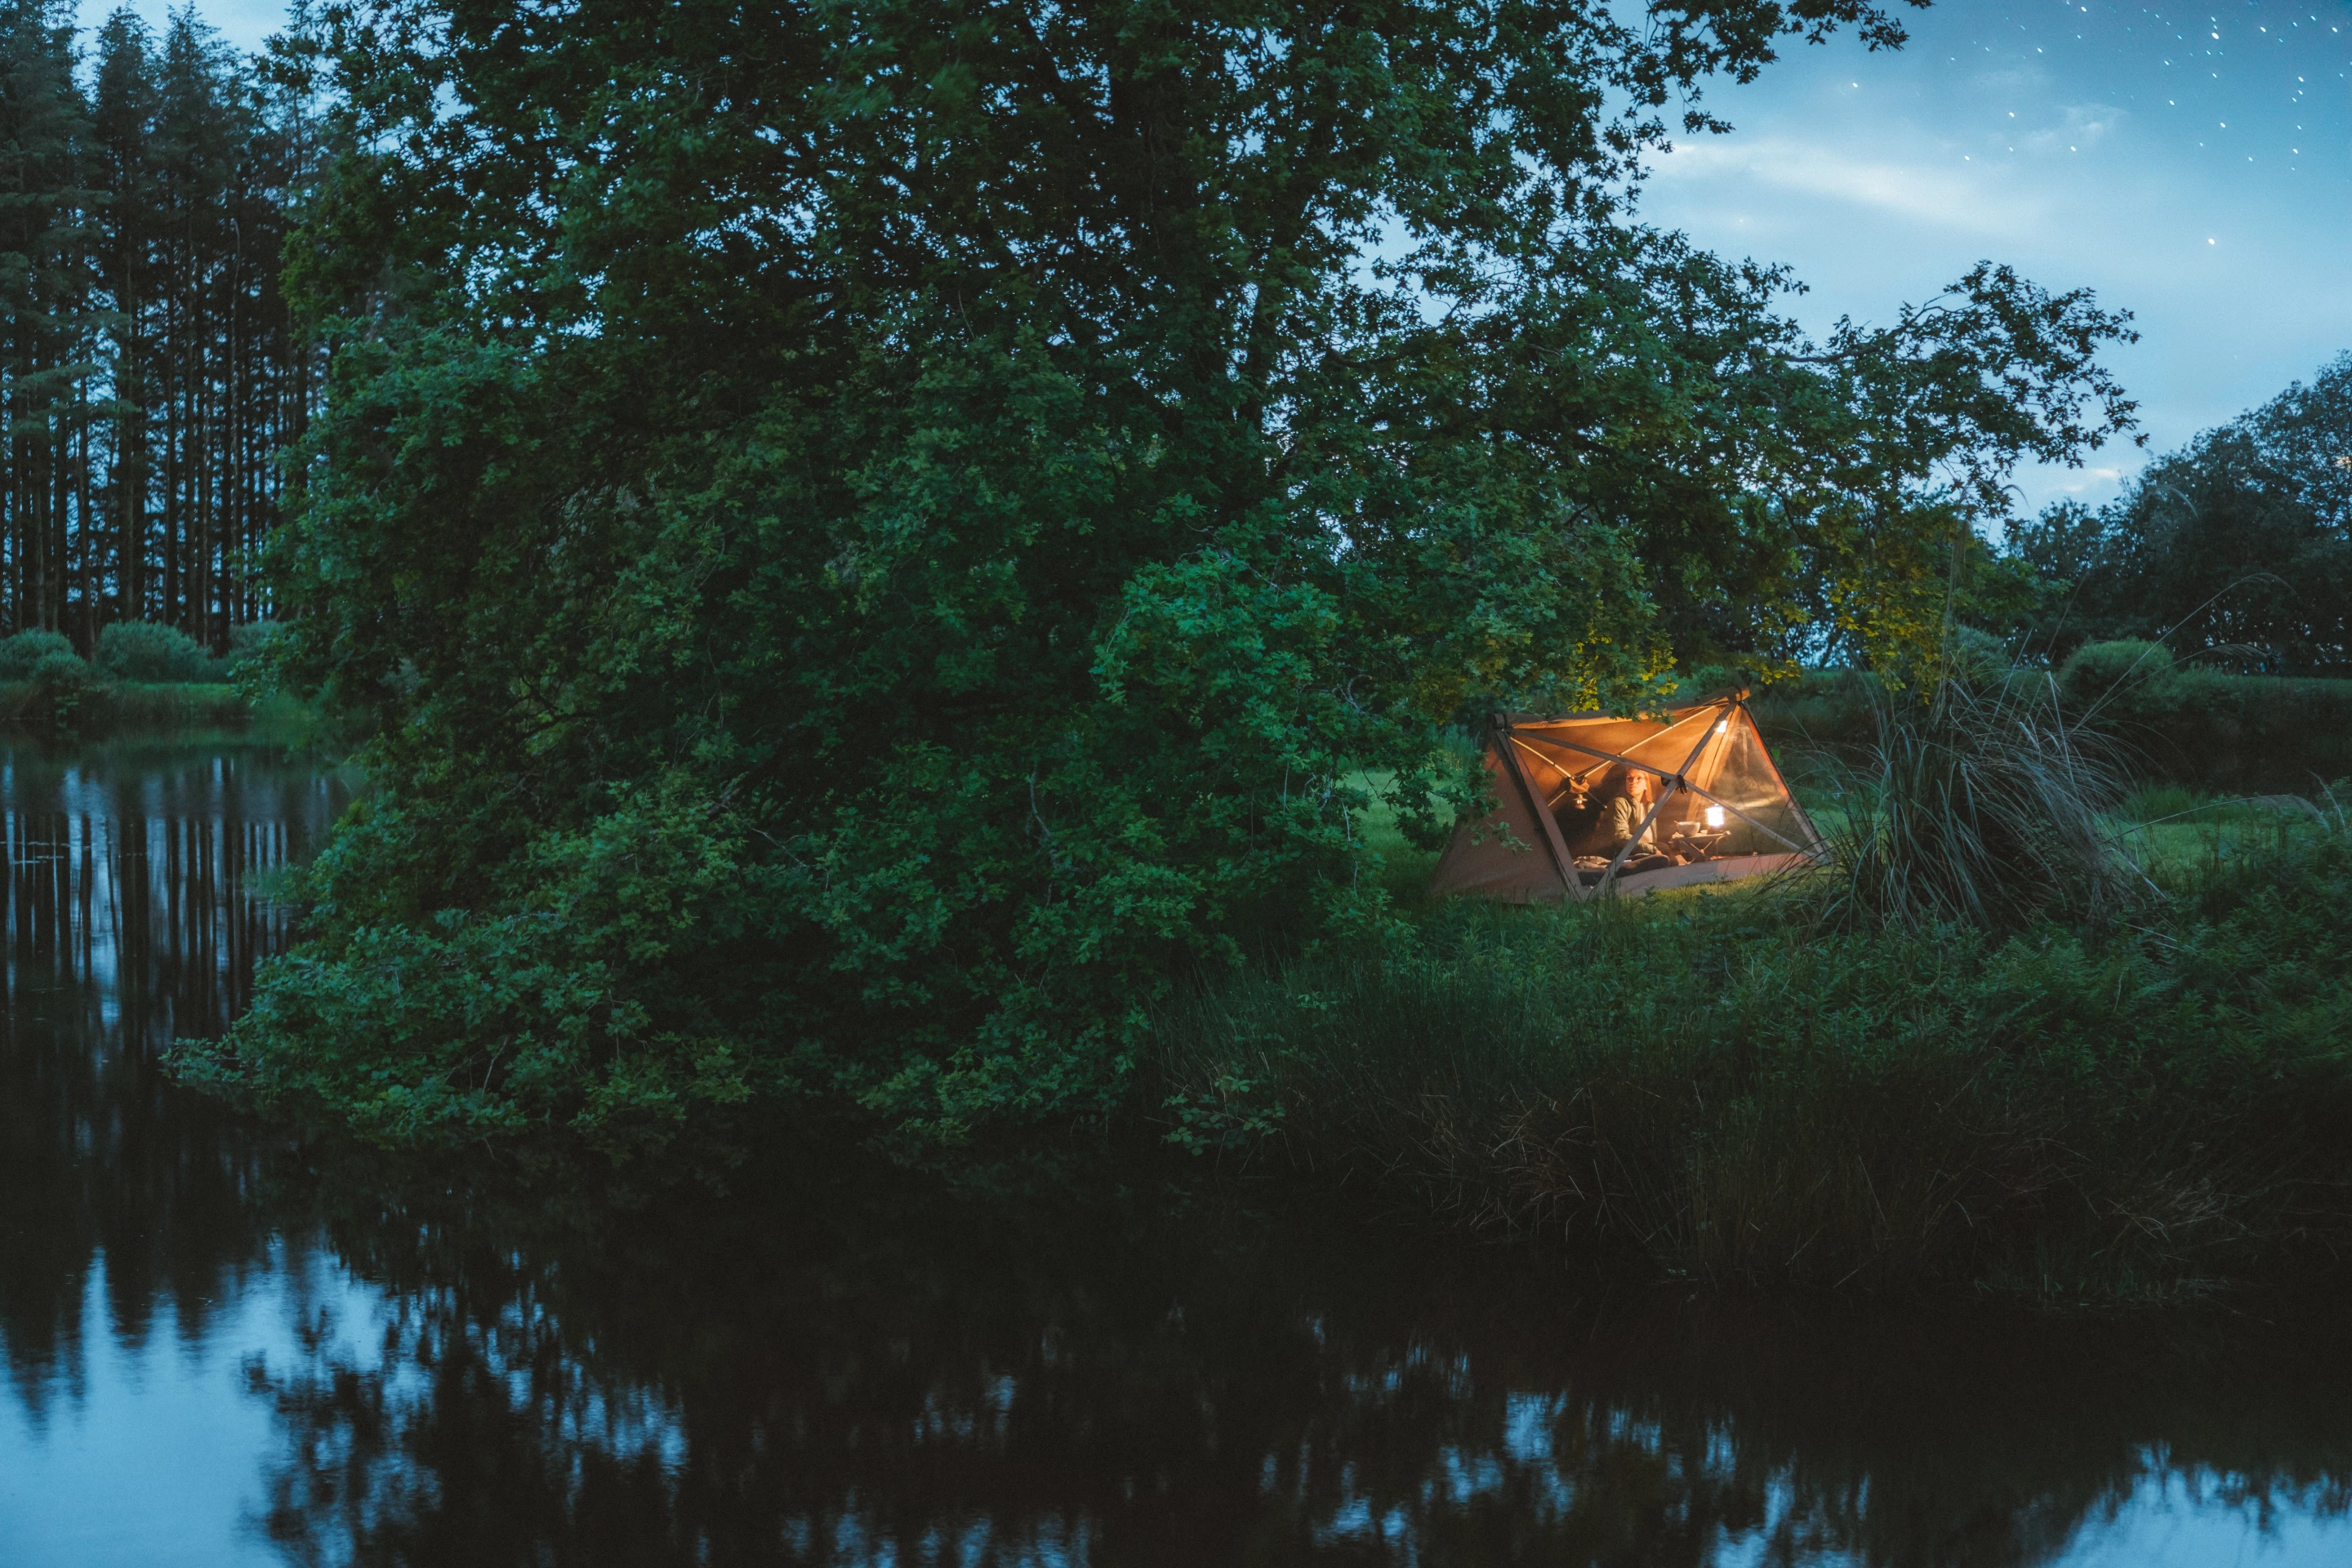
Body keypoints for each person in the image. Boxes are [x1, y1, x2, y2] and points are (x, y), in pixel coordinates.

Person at [1601, 767, 1679, 875]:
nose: (1633, 782)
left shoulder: (1650, 807)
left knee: (1665, 848)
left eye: (1639, 778)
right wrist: (1652, 850)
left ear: (1646, 785)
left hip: (1645, 849)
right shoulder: (1619, 803)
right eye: (1629, 779)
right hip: (1622, 851)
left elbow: (1652, 838)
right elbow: (1620, 836)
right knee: (1664, 849)